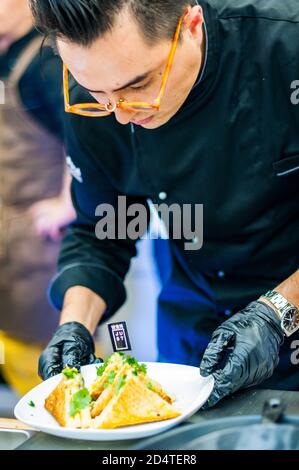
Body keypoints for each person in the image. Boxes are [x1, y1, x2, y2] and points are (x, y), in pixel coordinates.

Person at [30, 0, 299, 407]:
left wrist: (278, 312)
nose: (118, 115)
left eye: (138, 86)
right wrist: (75, 325)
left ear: (190, 24)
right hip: (193, 334)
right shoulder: (96, 92)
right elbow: (103, 228)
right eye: (96, 92)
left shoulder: (286, 44)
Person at [0, 0, 75, 395]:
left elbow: (80, 136)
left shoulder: (47, 59)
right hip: (10, 235)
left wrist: (67, 203)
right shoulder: (8, 53)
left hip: (41, 245)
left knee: (56, 371)